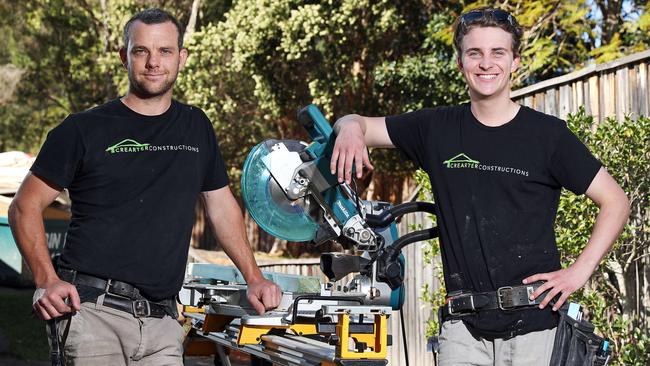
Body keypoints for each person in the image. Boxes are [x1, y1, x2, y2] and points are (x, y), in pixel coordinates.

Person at [330, 7, 629, 366]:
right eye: (475, 53)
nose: (486, 63)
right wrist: (347, 127)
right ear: (460, 63)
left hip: (535, 328)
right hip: (461, 332)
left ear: (515, 61)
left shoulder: (548, 137)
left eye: (498, 52)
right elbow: (359, 123)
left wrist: (578, 272)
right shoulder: (435, 129)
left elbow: (616, 201)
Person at [8, 8, 281, 365]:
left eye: (165, 51)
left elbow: (220, 205)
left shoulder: (196, 127)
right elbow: (23, 207)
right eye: (141, 51)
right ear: (125, 56)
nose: (154, 62)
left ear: (181, 58)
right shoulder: (82, 130)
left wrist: (254, 277)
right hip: (92, 312)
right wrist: (46, 280)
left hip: (162, 323)